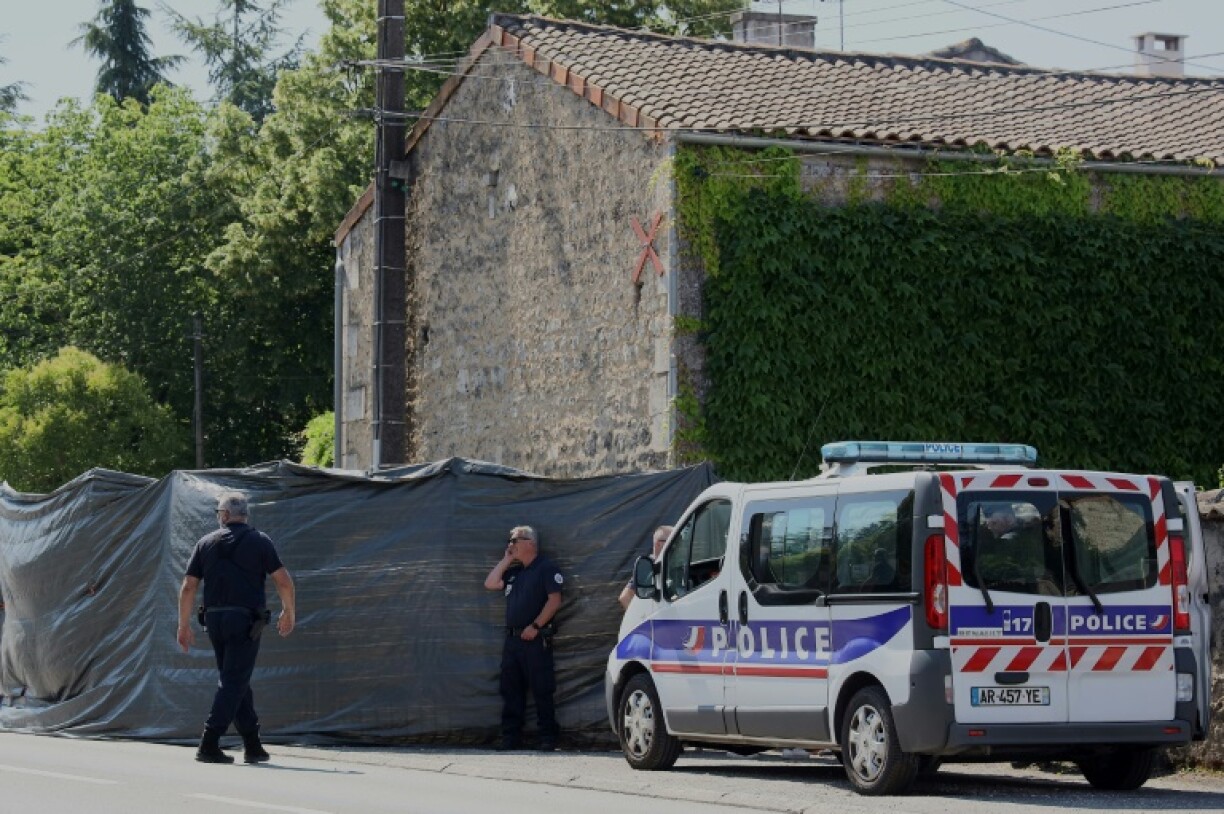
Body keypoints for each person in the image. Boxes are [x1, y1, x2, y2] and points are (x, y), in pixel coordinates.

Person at [177, 491, 296, 764]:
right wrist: (289, 611)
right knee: (233, 680)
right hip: (244, 622)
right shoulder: (260, 541)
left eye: (219, 514)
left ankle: (252, 744)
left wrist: (183, 625)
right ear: (244, 515)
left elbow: (188, 588)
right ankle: (209, 742)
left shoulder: (204, 543)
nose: (219, 518)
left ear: (226, 515)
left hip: (214, 621)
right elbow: (283, 581)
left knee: (235, 679)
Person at [483, 525, 563, 752]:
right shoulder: (514, 573)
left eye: (515, 540)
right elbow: (490, 583)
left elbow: (554, 600)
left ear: (530, 543)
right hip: (513, 641)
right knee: (511, 689)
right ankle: (511, 738)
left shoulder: (546, 568)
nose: (510, 544)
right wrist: (506, 560)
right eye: (509, 541)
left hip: (535, 639)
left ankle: (548, 737)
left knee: (542, 689)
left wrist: (536, 626)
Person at [618, 525, 673, 609]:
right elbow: (625, 597)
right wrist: (639, 617)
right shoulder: (648, 566)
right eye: (670, 541)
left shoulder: (669, 561)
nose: (675, 544)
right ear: (658, 544)